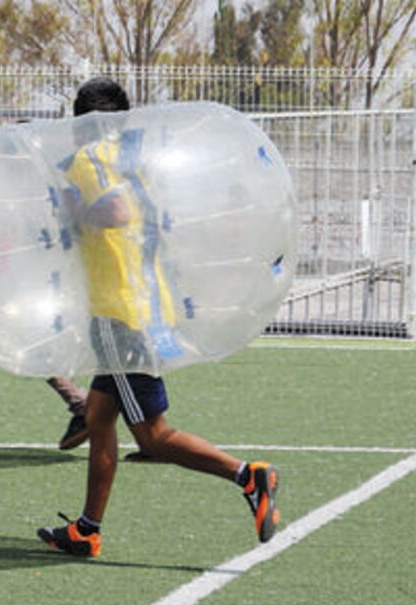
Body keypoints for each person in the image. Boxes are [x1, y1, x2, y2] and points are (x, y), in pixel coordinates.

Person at [37, 77, 280, 556]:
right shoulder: (134, 163)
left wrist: (71, 214)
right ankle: (87, 529)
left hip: (119, 314)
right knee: (99, 416)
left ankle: (247, 476)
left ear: (86, 122)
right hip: (139, 304)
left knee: (153, 435)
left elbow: (116, 211)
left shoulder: (90, 160)